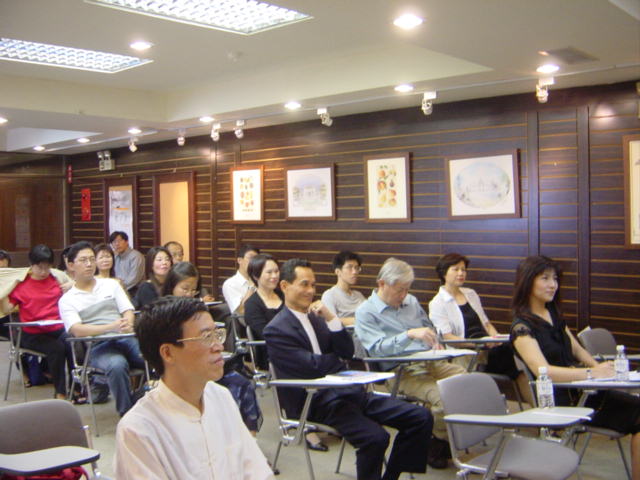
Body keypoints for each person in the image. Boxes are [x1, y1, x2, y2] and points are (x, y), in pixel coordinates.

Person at [264, 258, 433, 480]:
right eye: (304, 284)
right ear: (285, 286)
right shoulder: (276, 329)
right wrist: (336, 361)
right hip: (315, 401)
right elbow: (311, 367)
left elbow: (346, 351)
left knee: (420, 416)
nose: (311, 291)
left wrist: (332, 319)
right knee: (376, 437)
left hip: (347, 392)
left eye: (313, 285)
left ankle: (391, 476)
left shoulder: (317, 318)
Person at [114, 296, 273, 480]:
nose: (219, 346)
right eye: (206, 337)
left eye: (217, 334)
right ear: (168, 353)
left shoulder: (221, 396)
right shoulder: (138, 430)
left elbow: (256, 469)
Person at [510, 255, 640, 479]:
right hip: (562, 399)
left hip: (584, 391)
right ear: (527, 281)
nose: (553, 285)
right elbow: (544, 371)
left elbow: (577, 350)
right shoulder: (521, 328)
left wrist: (601, 368)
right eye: (545, 278)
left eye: (555, 279)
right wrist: (592, 373)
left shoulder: (553, 314)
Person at [355, 257, 467, 469]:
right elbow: (377, 349)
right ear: (382, 284)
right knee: (443, 397)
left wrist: (435, 339)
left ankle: (437, 437)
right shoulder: (366, 312)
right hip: (400, 370)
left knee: (467, 382)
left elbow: (429, 327)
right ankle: (437, 441)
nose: (404, 295)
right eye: (400, 290)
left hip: (429, 360)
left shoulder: (411, 302)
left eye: (407, 289)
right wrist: (408, 335)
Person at [163, 261, 263, 434]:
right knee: (223, 392)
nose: (189, 294)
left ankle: (249, 440)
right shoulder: (164, 312)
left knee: (241, 383)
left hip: (205, 366)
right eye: (185, 289)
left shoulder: (198, 310)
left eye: (193, 290)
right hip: (182, 372)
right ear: (172, 286)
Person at [58, 241, 145, 416]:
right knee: (117, 365)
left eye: (92, 259)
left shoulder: (110, 285)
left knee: (154, 357)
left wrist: (128, 323)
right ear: (71, 265)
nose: (89, 264)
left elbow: (127, 310)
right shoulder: (67, 300)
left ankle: (141, 400)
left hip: (125, 337)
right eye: (83, 260)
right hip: (97, 346)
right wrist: (111, 326)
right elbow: (76, 330)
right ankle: (126, 413)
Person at [0, 244, 76, 401]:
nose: (43, 272)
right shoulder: (21, 284)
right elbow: (7, 309)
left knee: (72, 342)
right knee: (57, 348)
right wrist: (3, 292)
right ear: (31, 265)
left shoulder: (56, 278)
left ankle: (77, 387)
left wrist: (72, 285)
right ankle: (60, 392)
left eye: (47, 267)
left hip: (56, 327)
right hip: (32, 333)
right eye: (39, 267)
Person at [429, 253, 519, 378]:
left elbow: (486, 324)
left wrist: (496, 339)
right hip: (466, 353)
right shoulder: (437, 303)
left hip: (485, 348)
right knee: (511, 360)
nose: (461, 273)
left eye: (463, 270)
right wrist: (478, 344)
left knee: (513, 349)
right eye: (456, 269)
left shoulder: (471, 293)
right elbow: (447, 337)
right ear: (444, 273)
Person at [321, 250, 366, 327]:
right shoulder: (329, 295)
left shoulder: (359, 295)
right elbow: (330, 321)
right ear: (338, 272)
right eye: (350, 267)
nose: (354, 272)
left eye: (356, 268)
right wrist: (359, 320)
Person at [222, 245, 260, 314]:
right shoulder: (230, 284)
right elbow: (241, 311)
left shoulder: (261, 280)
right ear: (239, 260)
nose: (254, 262)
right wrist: (252, 287)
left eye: (256, 259)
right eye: (251, 258)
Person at [109, 231, 145, 296]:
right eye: (114, 242)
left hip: (134, 292)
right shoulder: (115, 257)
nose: (117, 244)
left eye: (119, 241)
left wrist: (117, 289)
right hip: (118, 290)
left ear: (127, 241)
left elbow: (133, 280)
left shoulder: (136, 256)